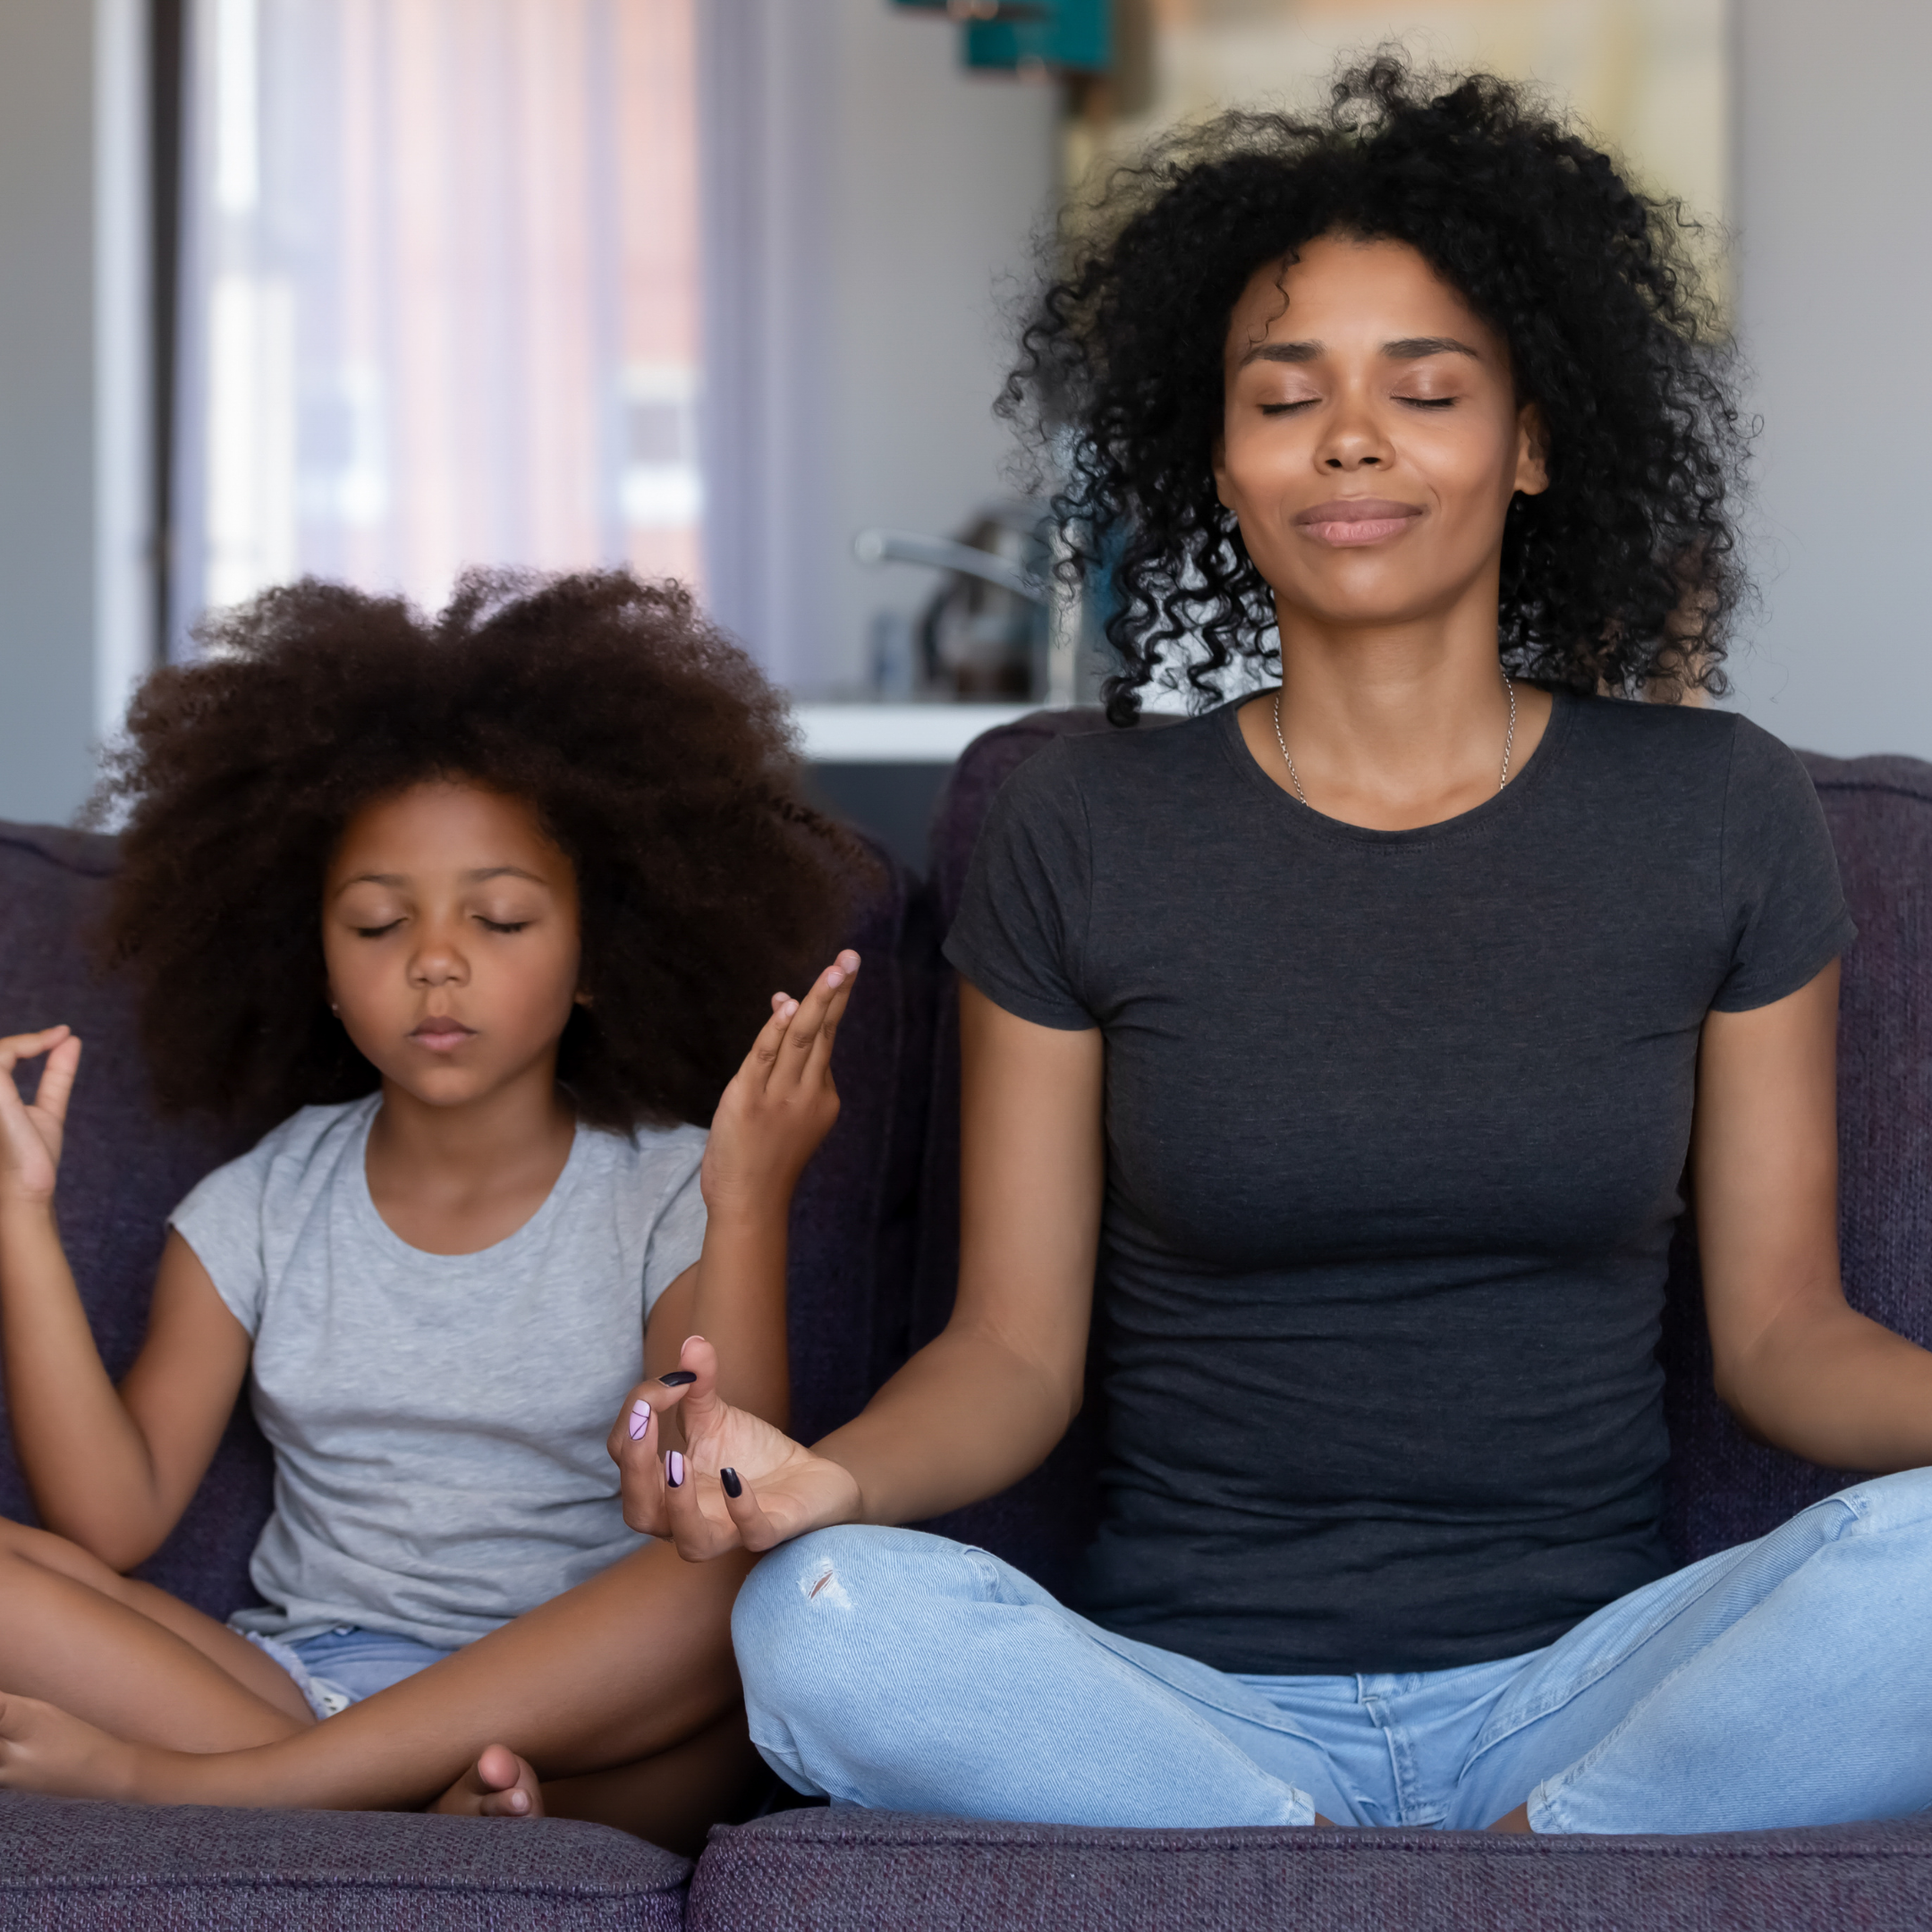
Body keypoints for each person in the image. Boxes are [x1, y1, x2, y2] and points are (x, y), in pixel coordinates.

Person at [604, 64, 1932, 1836]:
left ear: (1533, 441)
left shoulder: (1717, 812)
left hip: (1593, 1686)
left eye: (1429, 390)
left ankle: (1521, 1849)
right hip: (1187, 1710)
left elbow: (1784, 1340)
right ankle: (1327, 1863)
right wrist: (820, 1485)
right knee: (821, 1620)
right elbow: (1008, 1355)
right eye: (1284, 396)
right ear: (1216, 461)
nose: (1351, 439)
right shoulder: (1088, 830)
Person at [0, 569, 860, 1852]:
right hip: (304, 1685)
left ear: (592, 959)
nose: (436, 960)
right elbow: (113, 1520)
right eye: (377, 923)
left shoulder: (668, 1182)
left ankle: (258, 1792)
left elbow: (706, 1483)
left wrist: (746, 1204)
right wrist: (17, 1216)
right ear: (318, 968)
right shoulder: (256, 1208)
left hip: (587, 1703)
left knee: (744, 1573)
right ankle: (444, 1810)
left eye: (501, 916)